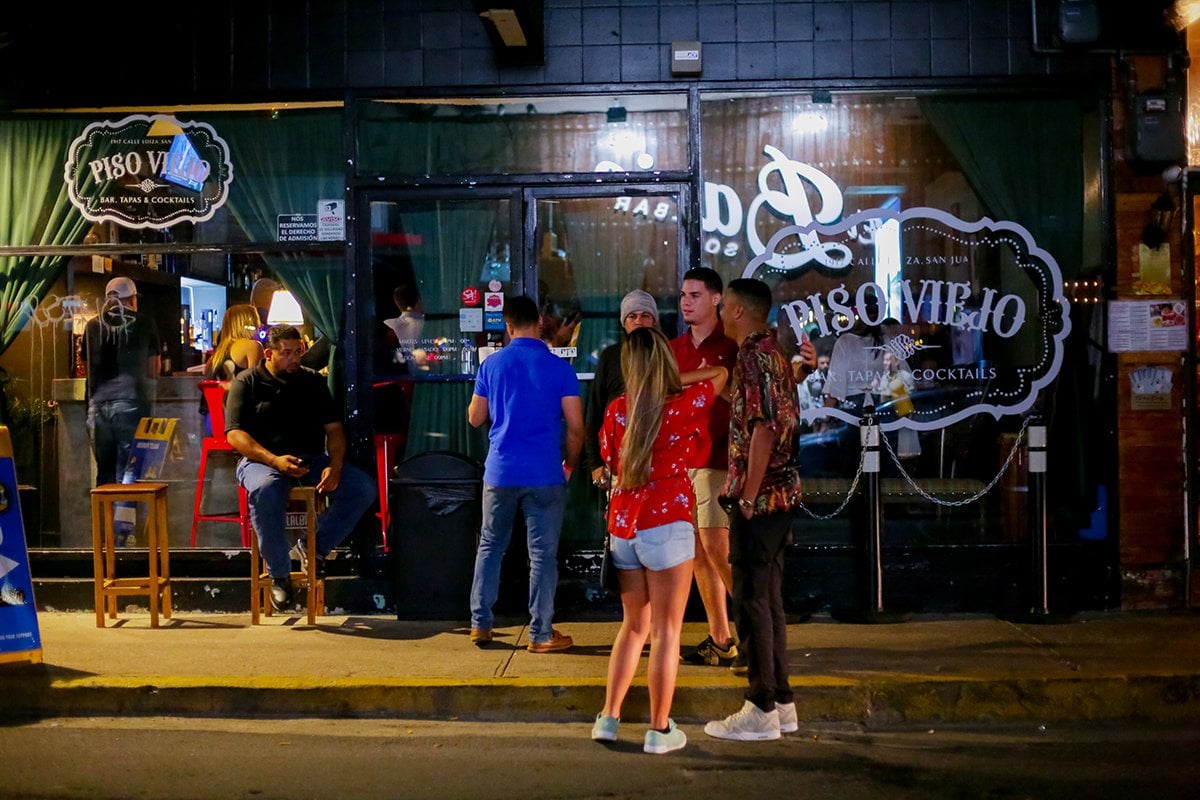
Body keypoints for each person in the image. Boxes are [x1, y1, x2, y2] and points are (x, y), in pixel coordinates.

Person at [592, 327, 727, 754]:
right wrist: (672, 378)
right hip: (667, 525)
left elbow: (610, 459)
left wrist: (644, 383)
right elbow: (719, 374)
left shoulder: (616, 410)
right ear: (665, 366)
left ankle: (608, 718)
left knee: (633, 628)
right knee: (667, 633)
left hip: (624, 527)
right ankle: (658, 728)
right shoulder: (683, 404)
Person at [704, 278, 802, 742]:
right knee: (770, 600)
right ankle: (781, 700)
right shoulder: (776, 353)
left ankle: (761, 705)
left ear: (740, 311)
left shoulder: (752, 355)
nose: (720, 313)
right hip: (781, 497)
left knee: (751, 601)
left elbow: (763, 430)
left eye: (724, 306)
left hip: (761, 500)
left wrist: (747, 496)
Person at [225, 325, 376, 611]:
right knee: (266, 490)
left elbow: (334, 430)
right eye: (286, 353)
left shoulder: (312, 382)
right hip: (262, 461)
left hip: (311, 459)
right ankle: (280, 574)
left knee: (362, 488)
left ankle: (313, 548)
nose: (294, 359)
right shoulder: (247, 382)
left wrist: (335, 465)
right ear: (268, 354)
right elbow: (234, 434)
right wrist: (273, 460)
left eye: (298, 352)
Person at [467, 295, 584, 653]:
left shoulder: (492, 366)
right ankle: (541, 633)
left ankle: (480, 624)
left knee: (490, 546)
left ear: (507, 325)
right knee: (542, 555)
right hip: (545, 472)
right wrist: (569, 464)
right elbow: (577, 427)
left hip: (500, 471)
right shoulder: (559, 368)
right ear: (540, 322)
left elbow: (475, 417)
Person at [668, 268, 741, 668]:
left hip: (717, 456)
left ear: (716, 299)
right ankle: (721, 637)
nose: (685, 302)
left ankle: (755, 628)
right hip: (682, 458)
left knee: (717, 545)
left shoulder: (731, 346)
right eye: (683, 295)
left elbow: (746, 400)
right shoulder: (675, 346)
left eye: (694, 295)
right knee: (697, 550)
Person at [81, 276, 160, 546]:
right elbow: (153, 370)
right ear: (133, 299)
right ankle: (122, 537)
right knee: (130, 473)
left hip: (97, 405)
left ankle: (103, 539)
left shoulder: (92, 325)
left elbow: (83, 366)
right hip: (131, 402)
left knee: (104, 473)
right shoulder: (145, 323)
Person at [582, 289, 660, 489]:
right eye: (632, 316)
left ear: (654, 321)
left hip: (661, 460)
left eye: (645, 315)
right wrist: (595, 464)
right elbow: (594, 411)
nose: (638, 321)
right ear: (623, 322)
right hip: (618, 460)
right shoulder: (610, 356)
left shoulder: (665, 354)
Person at [198, 304, 263, 429]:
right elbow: (255, 386)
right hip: (237, 422)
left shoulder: (217, 354)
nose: (259, 325)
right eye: (256, 320)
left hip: (212, 422)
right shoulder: (252, 346)